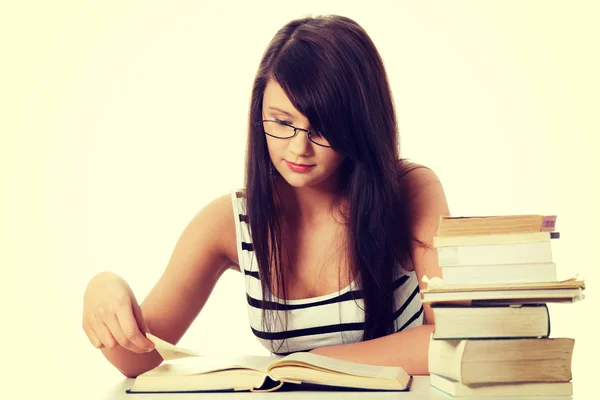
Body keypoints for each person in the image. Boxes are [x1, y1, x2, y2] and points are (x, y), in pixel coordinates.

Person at [82, 14, 449, 378]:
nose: (299, 147)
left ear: (359, 123)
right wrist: (103, 290)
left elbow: (451, 336)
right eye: (282, 122)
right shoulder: (229, 222)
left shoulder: (410, 191)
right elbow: (141, 356)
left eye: (322, 128)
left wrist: (311, 362)